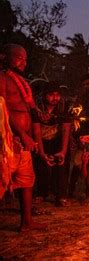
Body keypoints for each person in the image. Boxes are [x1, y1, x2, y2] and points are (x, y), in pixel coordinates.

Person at [0, 44, 44, 232]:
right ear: (4, 57)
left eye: (25, 59)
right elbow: (3, 111)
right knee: (2, 181)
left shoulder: (22, 82)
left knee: (26, 180)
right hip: (8, 142)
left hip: (24, 142)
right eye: (18, 57)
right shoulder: (2, 79)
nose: (23, 62)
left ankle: (26, 222)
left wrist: (37, 122)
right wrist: (22, 134)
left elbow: (28, 110)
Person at [32, 82, 71, 207]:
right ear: (44, 95)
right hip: (41, 140)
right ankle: (41, 194)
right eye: (51, 95)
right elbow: (36, 131)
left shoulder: (64, 107)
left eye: (57, 94)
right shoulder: (37, 108)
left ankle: (61, 196)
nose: (55, 98)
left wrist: (63, 151)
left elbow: (66, 130)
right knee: (40, 166)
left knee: (61, 166)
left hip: (58, 141)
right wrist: (42, 153)